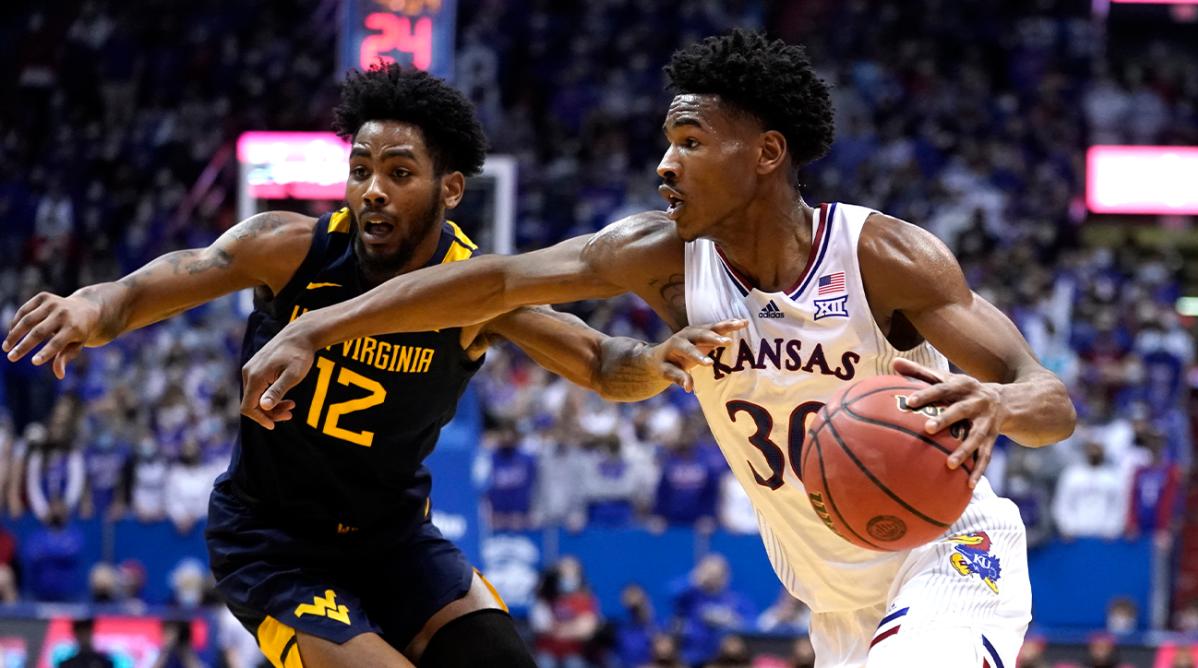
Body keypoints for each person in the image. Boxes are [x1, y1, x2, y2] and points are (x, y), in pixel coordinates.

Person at [240, 31, 1077, 667]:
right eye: (667, 144)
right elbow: (491, 283)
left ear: (766, 155)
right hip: (832, 592)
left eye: (690, 142)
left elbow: (1050, 400)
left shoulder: (882, 257)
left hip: (949, 552)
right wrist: (319, 324)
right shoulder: (658, 256)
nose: (664, 165)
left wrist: (999, 403)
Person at [3, 63, 732, 667]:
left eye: (398, 172)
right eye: (360, 170)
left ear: (450, 189)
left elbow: (605, 363)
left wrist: (662, 360)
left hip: (394, 540)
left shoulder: (472, 289)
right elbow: (160, 281)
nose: (372, 189)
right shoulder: (290, 247)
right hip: (274, 545)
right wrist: (91, 307)